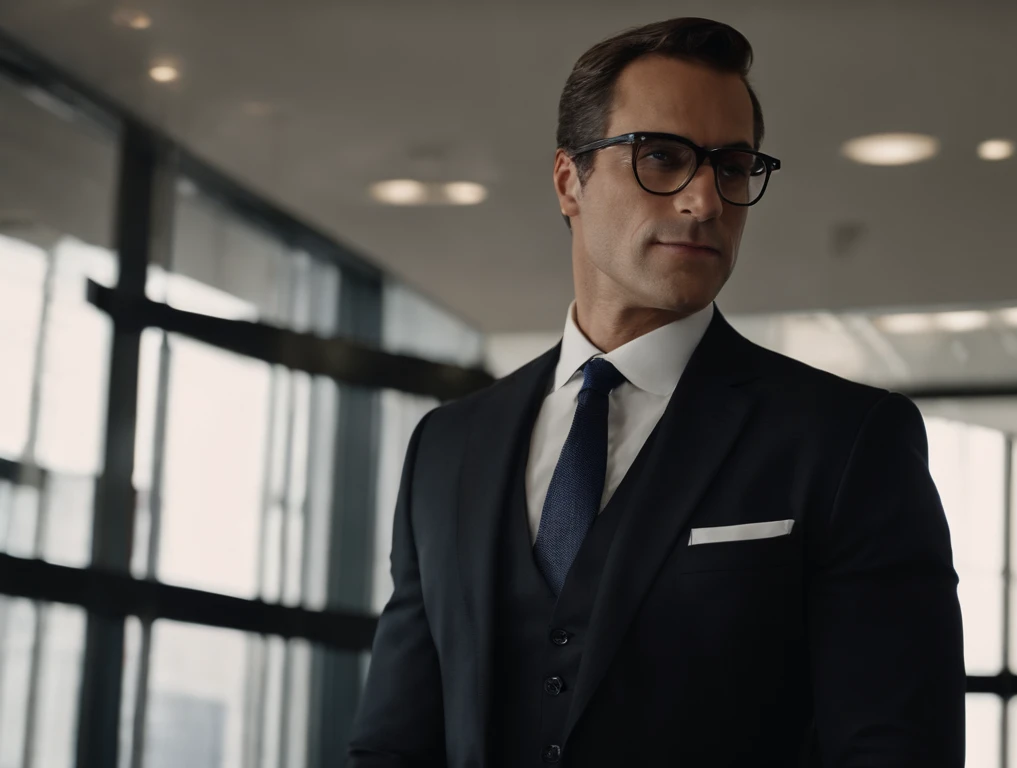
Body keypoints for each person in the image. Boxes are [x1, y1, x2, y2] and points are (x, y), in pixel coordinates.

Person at [347, 16, 964, 768]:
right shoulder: (448, 447)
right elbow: (391, 747)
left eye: (732, 167)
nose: (705, 201)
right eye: (663, 157)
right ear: (570, 180)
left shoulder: (848, 441)